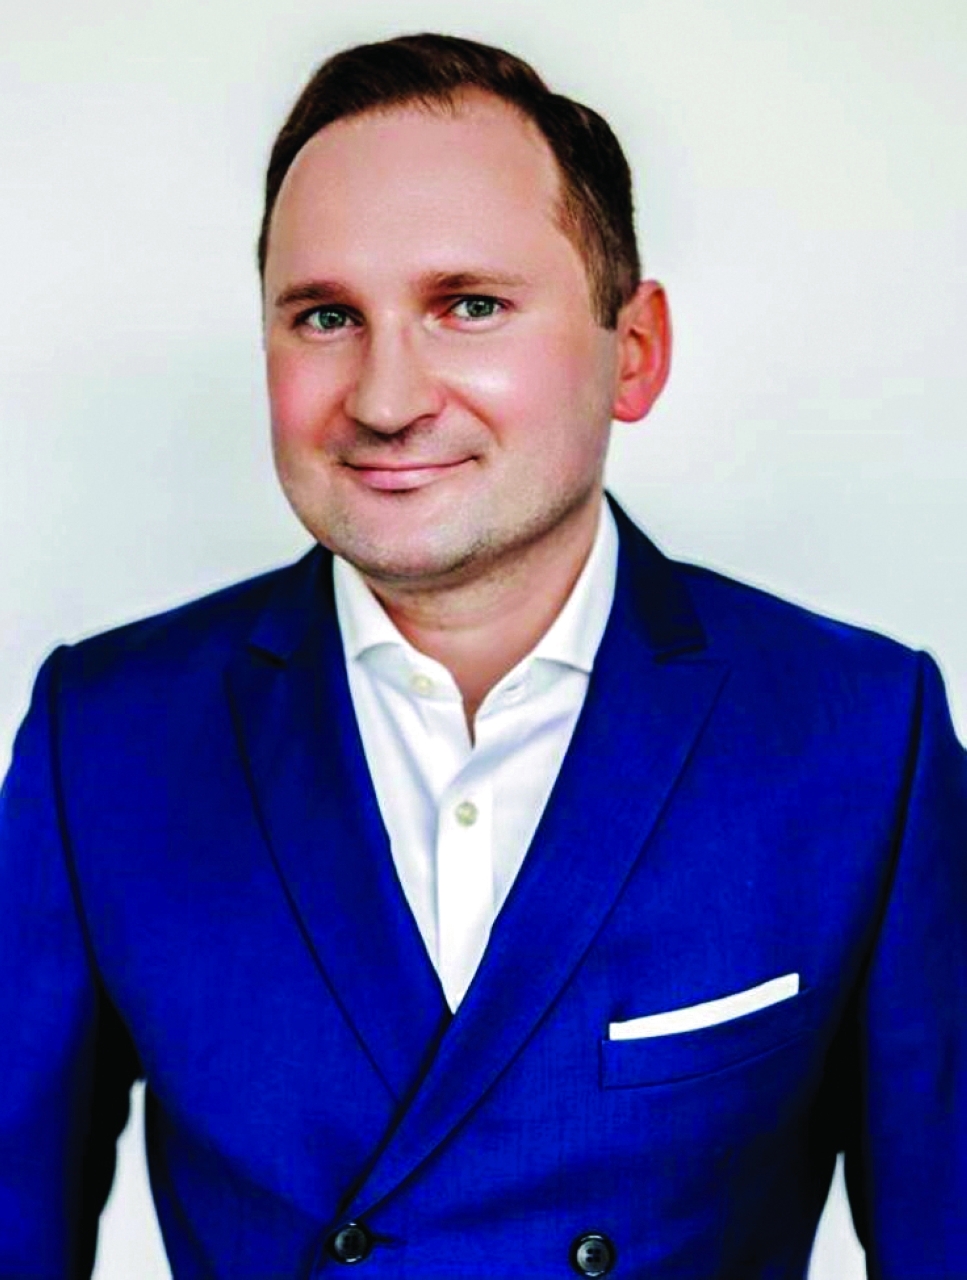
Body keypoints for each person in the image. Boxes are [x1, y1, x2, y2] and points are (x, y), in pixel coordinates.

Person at [1, 29, 965, 1278]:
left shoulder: (860, 735)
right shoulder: (105, 737)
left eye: (469, 306)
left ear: (633, 351)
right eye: (326, 315)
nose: (385, 398)